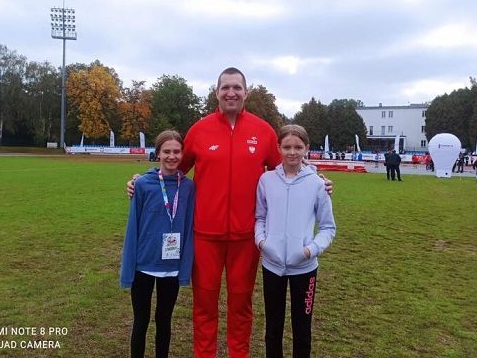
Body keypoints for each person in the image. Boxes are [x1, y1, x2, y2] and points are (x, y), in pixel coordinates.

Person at [127, 67, 333, 357]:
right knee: (204, 306)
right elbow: (174, 169)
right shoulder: (199, 130)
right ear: (217, 92)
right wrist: (142, 179)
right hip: (205, 236)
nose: (231, 92)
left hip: (245, 238)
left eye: (237, 87)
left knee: (240, 306)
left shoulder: (263, 131)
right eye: (225, 87)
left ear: (246, 92)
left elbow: (287, 168)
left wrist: (317, 177)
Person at [255, 125, 336, 358]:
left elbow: (328, 227)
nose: (292, 152)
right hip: (272, 264)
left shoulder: (318, 184)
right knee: (273, 327)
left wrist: (310, 250)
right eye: (287, 147)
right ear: (278, 148)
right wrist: (262, 242)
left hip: (305, 267)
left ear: (307, 149)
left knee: (302, 329)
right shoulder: (266, 180)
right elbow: (260, 216)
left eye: (298, 147)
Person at [120, 130, 195, 358]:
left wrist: (185, 268)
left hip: (171, 267)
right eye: (167, 151)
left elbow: (190, 228)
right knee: (140, 321)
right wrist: (128, 268)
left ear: (182, 154)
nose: (172, 156)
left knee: (164, 321)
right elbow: (133, 227)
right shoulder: (142, 184)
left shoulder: (189, 187)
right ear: (158, 153)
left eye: (176, 152)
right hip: (143, 264)